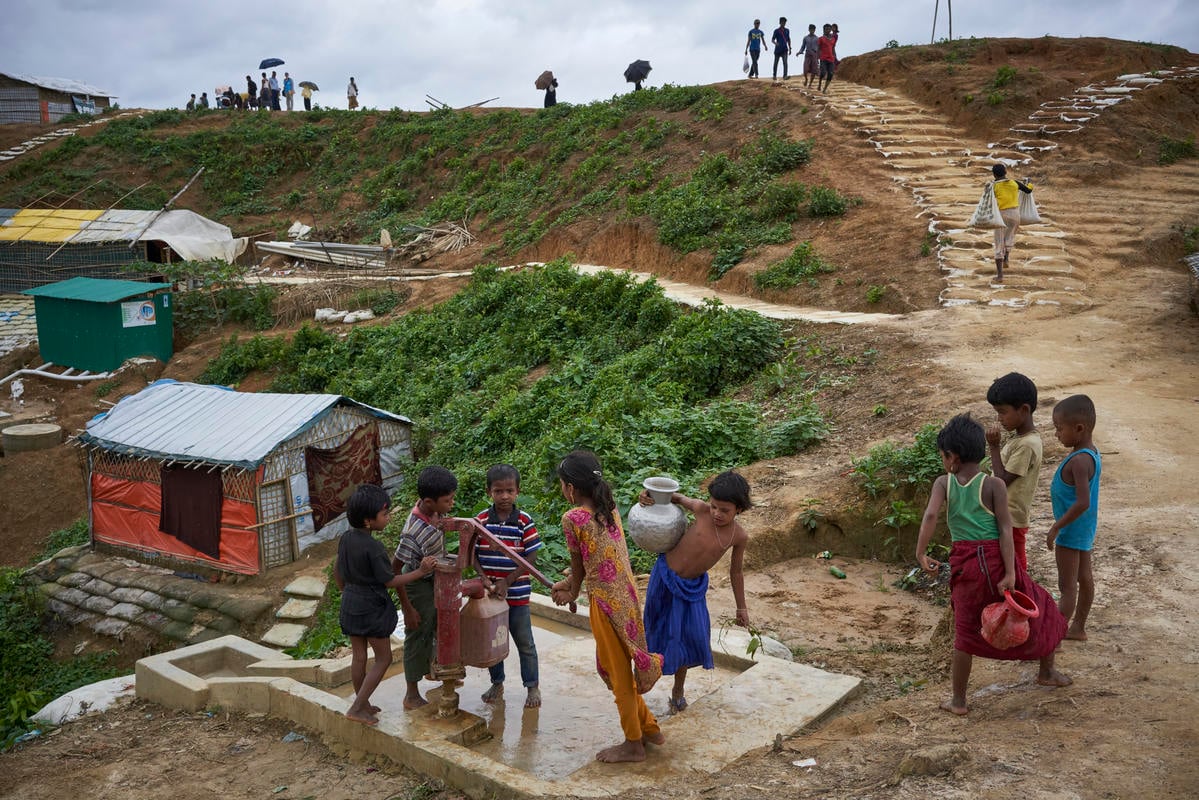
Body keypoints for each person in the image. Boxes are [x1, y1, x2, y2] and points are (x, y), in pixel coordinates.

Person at [915, 414, 1070, 716]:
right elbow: (1004, 529)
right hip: (997, 562)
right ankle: (1047, 671)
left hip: (965, 566)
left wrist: (921, 553)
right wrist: (1011, 573)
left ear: (952, 458)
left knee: (965, 632)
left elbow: (931, 517)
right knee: (1042, 608)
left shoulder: (943, 484)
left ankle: (958, 701)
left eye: (943, 456)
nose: (943, 462)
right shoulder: (994, 485)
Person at [551, 451, 664, 763]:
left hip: (604, 604)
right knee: (616, 669)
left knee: (617, 675)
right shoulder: (609, 510)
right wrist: (571, 583)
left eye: (563, 484)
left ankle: (634, 744)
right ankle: (650, 729)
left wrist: (568, 591)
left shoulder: (573, 518)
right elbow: (594, 559)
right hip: (627, 599)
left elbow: (577, 574)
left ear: (571, 489)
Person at [641, 471, 751, 713]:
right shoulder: (700, 510)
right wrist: (648, 496)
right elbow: (674, 497)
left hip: (691, 590)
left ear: (739, 510)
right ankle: (640, 678)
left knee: (687, 638)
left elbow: (736, 573)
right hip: (665, 577)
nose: (717, 514)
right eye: (714, 507)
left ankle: (677, 691)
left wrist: (741, 607)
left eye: (725, 510)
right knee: (653, 627)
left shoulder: (739, 536)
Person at [334, 485, 438, 726]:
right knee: (383, 658)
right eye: (385, 514)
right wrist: (421, 571)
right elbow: (390, 580)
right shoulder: (374, 548)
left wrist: (346, 594)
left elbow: (338, 570)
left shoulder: (346, 539)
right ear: (368, 521)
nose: (389, 517)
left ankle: (363, 702)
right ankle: (357, 707)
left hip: (350, 603)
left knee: (359, 657)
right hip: (370, 607)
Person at [473, 464, 543, 708]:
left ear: (517, 492)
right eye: (498, 491)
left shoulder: (524, 521)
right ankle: (497, 681)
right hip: (491, 598)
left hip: (517, 596)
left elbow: (531, 557)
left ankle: (532, 686)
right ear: (489, 492)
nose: (504, 496)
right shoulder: (480, 521)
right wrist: (482, 577)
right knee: (493, 642)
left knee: (525, 643)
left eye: (509, 491)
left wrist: (508, 580)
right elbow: (470, 553)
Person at [392, 465, 458, 710]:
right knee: (418, 632)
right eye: (447, 500)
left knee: (438, 625)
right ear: (429, 502)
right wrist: (407, 608)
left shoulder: (433, 513)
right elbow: (394, 568)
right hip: (417, 583)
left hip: (433, 579)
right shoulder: (413, 531)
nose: (451, 504)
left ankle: (436, 670)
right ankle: (411, 693)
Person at [1048, 394, 1101, 643]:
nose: (1057, 434)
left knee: (1067, 587)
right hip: (1084, 528)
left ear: (1079, 428)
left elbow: (1082, 501)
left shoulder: (1079, 461)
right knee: (1084, 578)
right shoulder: (1091, 453)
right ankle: (1078, 627)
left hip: (1070, 531)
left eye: (1059, 429)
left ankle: (1054, 638)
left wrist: (1056, 527)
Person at [985, 372, 1043, 573]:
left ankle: (1020, 596)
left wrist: (994, 447)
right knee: (1006, 561)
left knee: (1016, 564)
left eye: (1002, 412)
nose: (999, 419)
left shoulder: (1027, 445)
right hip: (1004, 515)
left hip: (1012, 519)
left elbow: (1001, 481)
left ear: (1024, 409)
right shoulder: (1019, 439)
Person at [991, 163, 1033, 282]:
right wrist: (1029, 182)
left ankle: (1000, 276)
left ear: (994, 174)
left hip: (1001, 215)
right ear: (1006, 172)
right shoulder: (1014, 183)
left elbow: (989, 199)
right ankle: (1006, 259)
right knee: (1009, 237)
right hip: (1015, 214)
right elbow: (1028, 190)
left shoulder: (994, 185)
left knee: (999, 242)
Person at [817, 24, 838, 92]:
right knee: (823, 73)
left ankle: (825, 89)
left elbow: (833, 48)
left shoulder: (833, 39)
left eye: (829, 29)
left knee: (831, 74)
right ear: (824, 30)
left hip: (831, 59)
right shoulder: (820, 39)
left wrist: (834, 57)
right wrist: (817, 58)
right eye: (826, 29)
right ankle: (819, 83)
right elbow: (818, 49)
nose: (828, 31)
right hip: (823, 58)